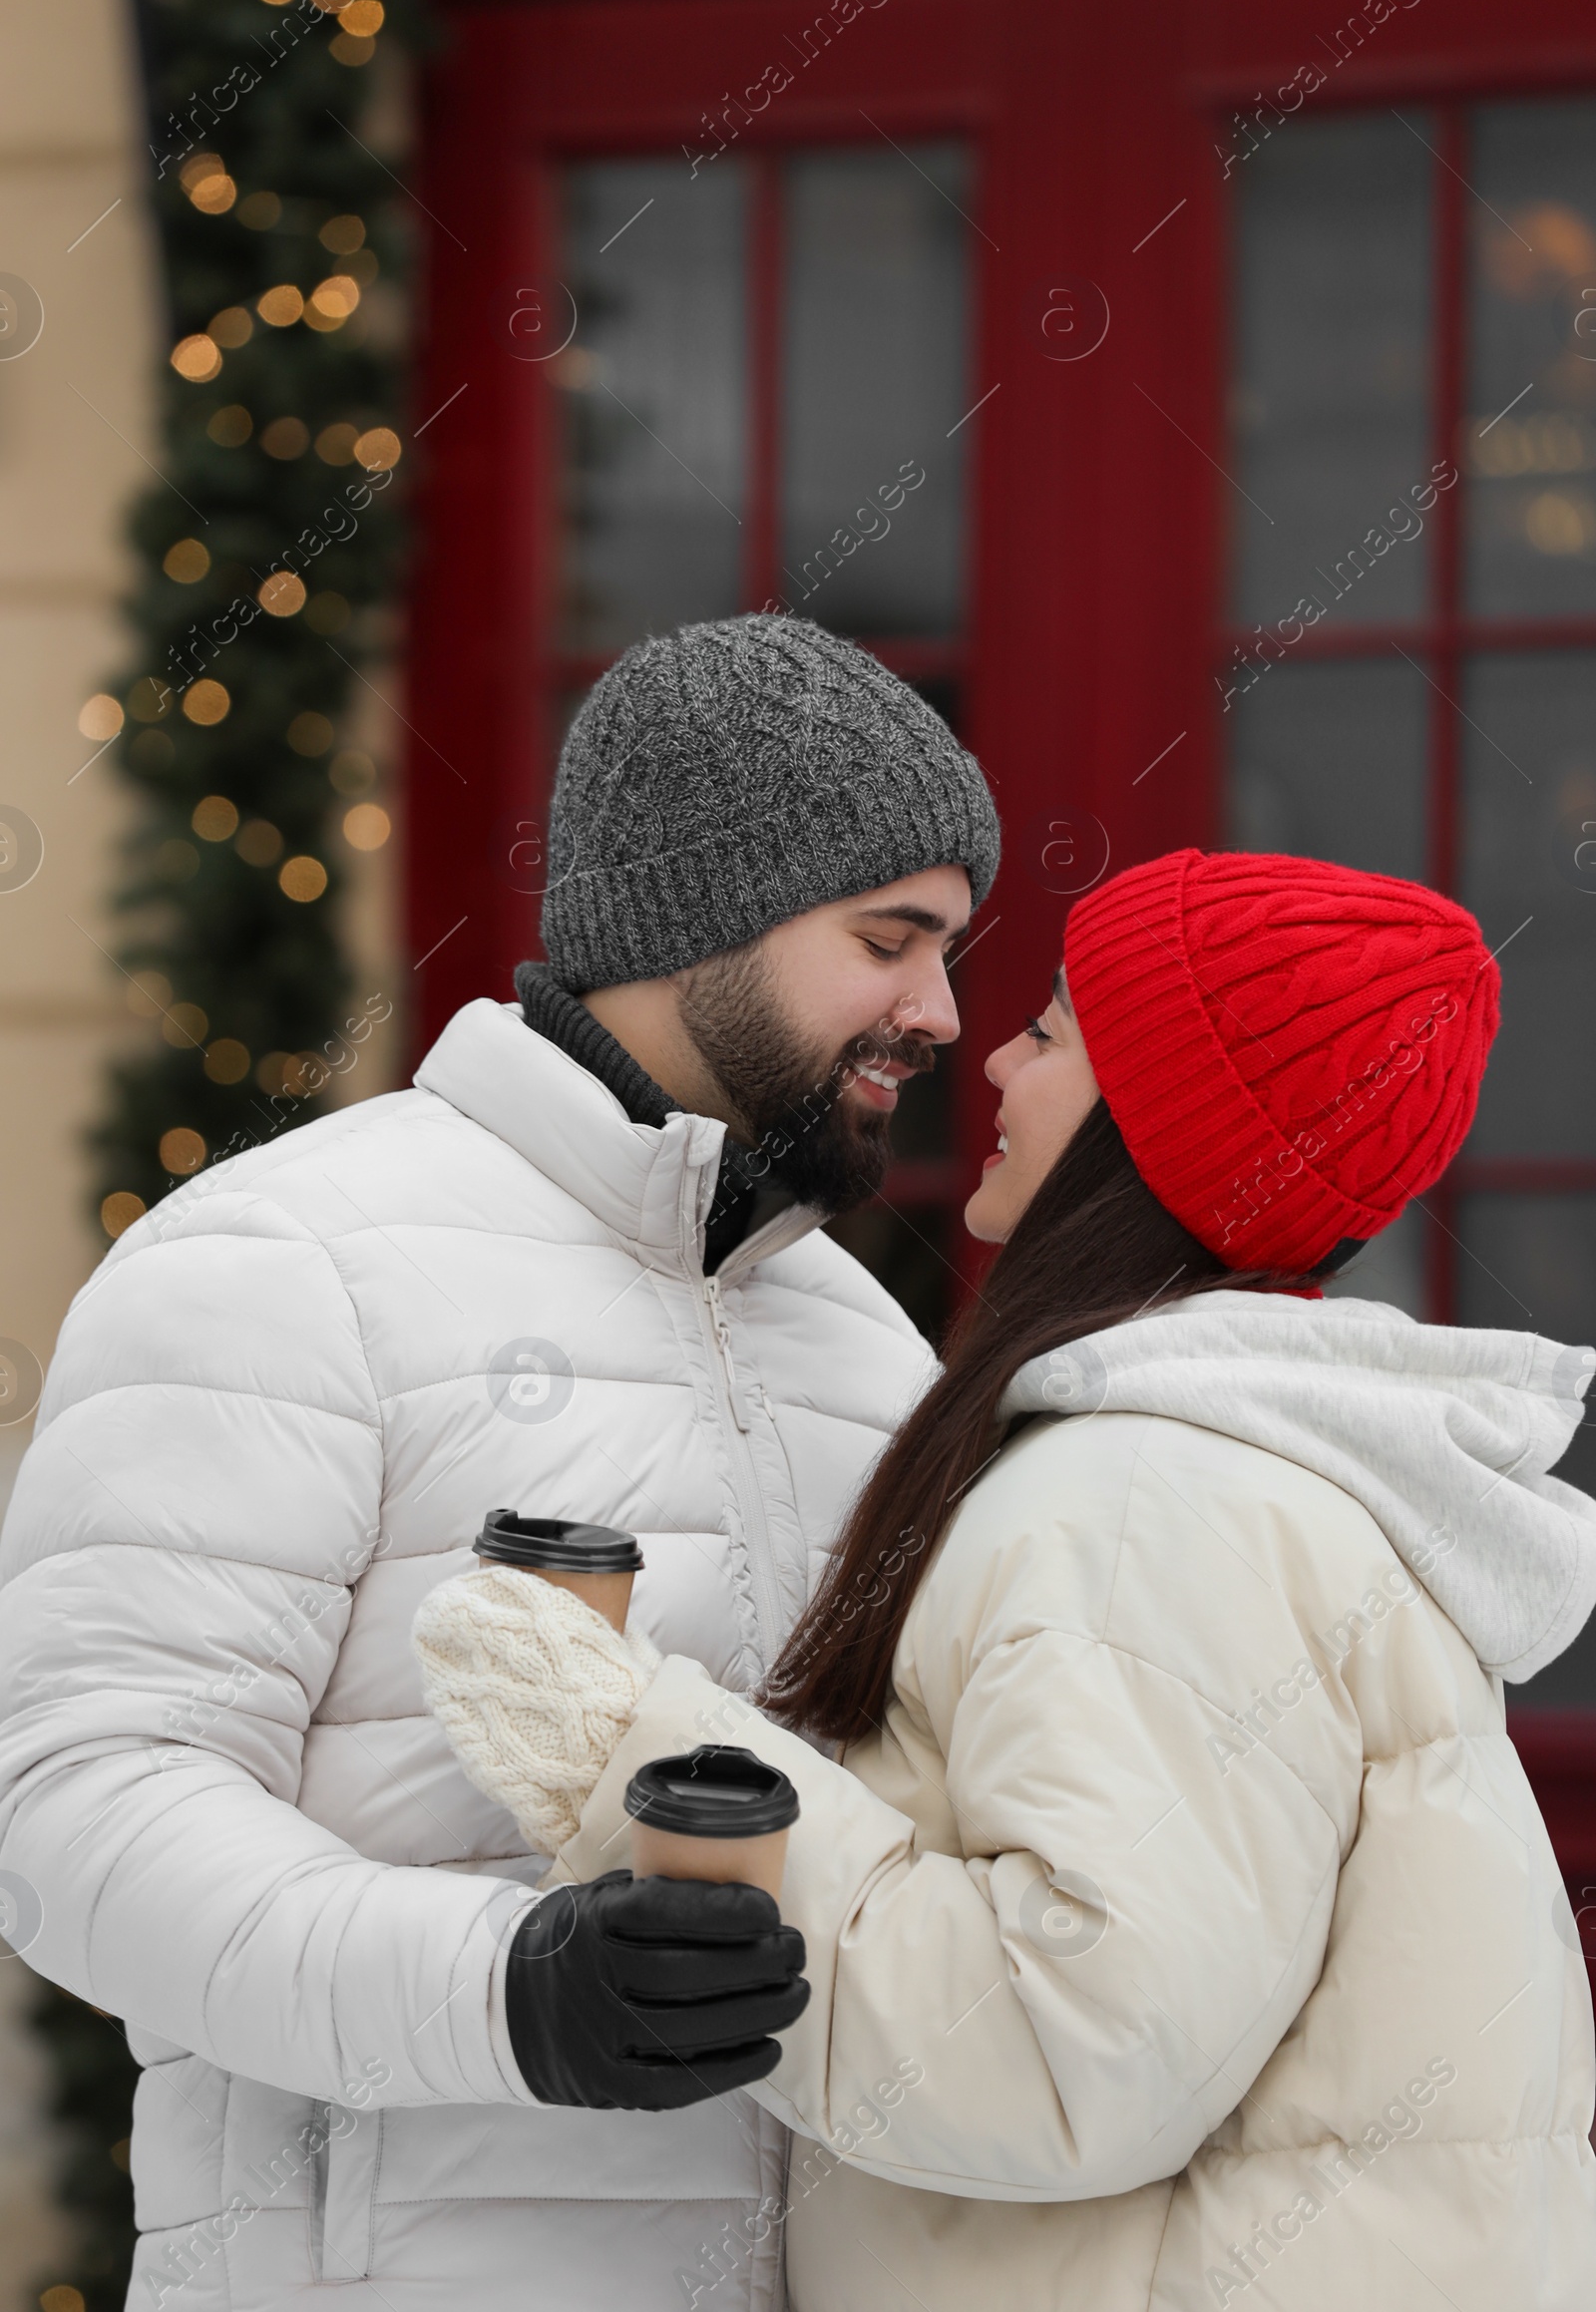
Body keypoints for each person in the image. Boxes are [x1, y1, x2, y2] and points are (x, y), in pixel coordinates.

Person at [419, 849, 1596, 2311]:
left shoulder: (1151, 1504)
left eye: (1050, 1033)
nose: (989, 1059)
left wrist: (621, 1751)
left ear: (1153, 1127)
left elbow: (1067, 2052)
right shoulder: (1257, 1477)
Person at [0, 611, 998, 2312]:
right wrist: (509, 1988)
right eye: (888, 939)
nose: (945, 1014)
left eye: (951, 950)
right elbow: (82, 1814)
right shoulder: (285, 1260)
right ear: (700, 922)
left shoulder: (863, 1345)